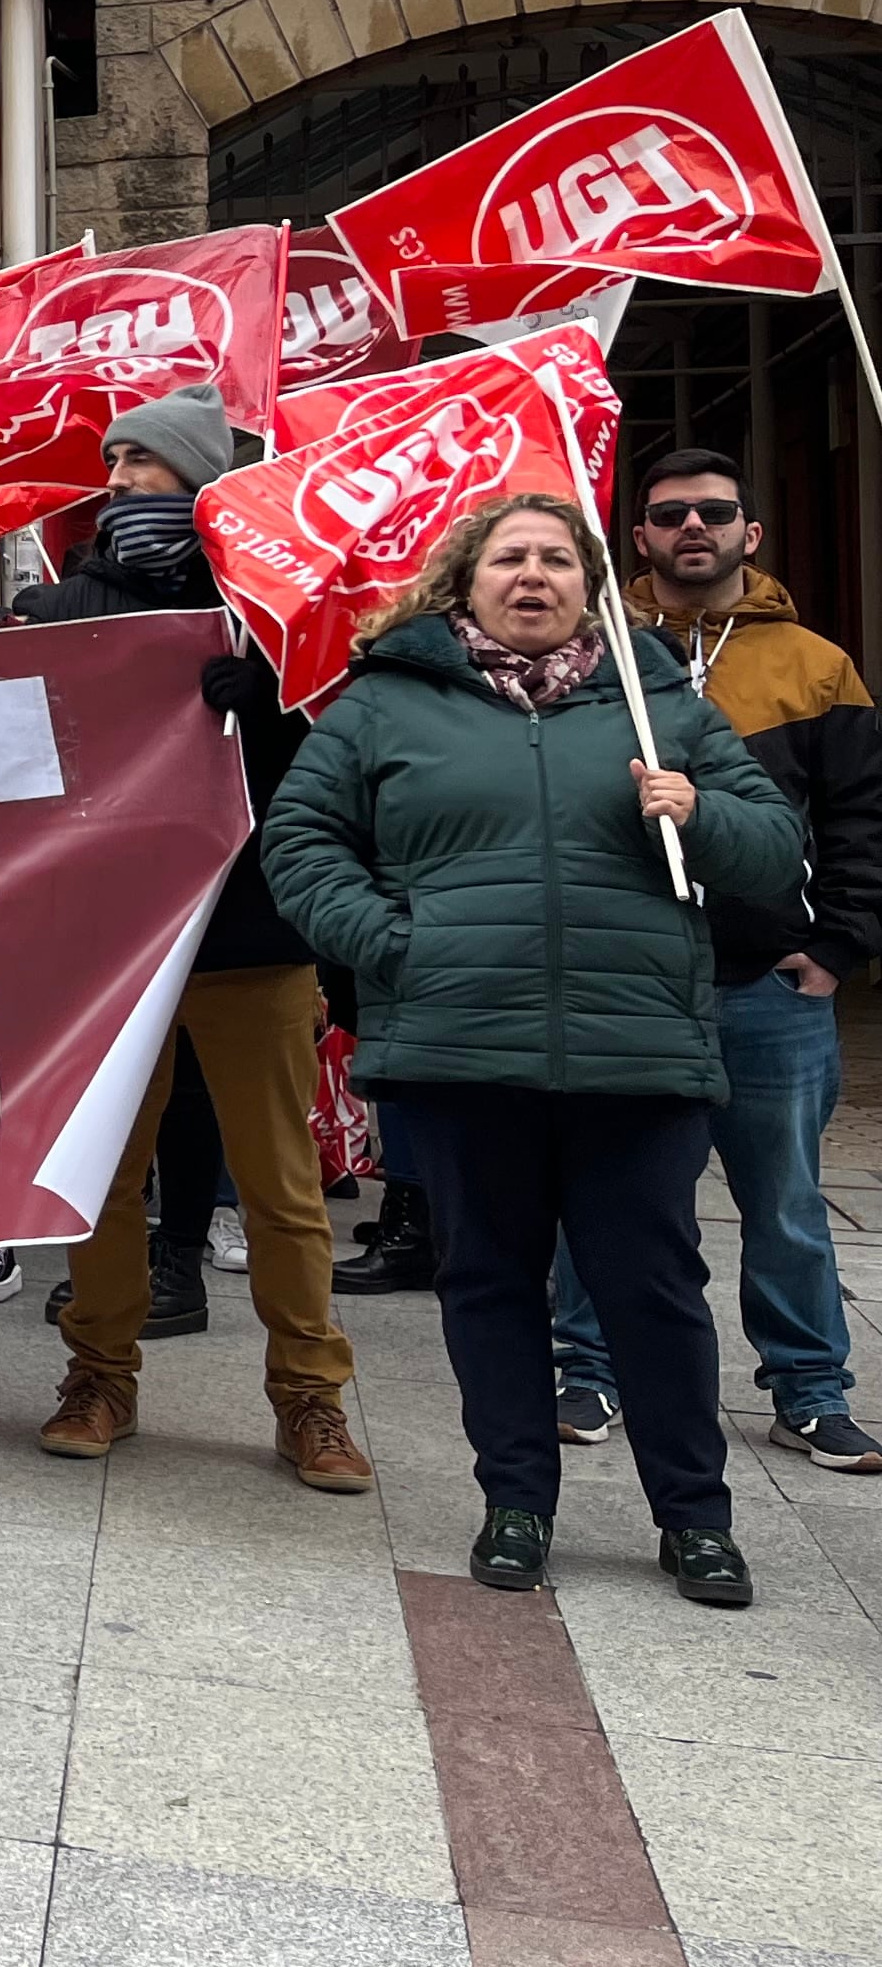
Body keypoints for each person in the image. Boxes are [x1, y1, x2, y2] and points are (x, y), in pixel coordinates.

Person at [262, 493, 800, 1607]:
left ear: (590, 586)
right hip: (463, 1050)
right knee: (489, 1284)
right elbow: (302, 839)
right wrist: (393, 948)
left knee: (652, 1290)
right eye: (510, 558)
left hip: (635, 1053)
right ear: (467, 580)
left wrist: (699, 809)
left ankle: (695, 1519)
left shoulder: (661, 705)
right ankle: (517, 1502)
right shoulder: (387, 703)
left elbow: (774, 853)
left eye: (558, 560)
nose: (534, 577)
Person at [8, 387, 373, 1492]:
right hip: (114, 948)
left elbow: (343, 758)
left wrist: (270, 701)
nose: (119, 480)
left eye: (146, 463)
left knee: (279, 1187)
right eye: (113, 462)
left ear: (204, 476)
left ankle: (310, 1399)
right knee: (106, 1178)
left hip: (250, 936)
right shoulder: (64, 607)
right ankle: (98, 1373)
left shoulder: (274, 606)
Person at [545, 450, 879, 1474]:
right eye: (670, 514)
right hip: (629, 977)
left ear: (751, 533)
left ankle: (811, 1390)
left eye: (715, 512)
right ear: (636, 538)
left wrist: (837, 947)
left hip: (768, 982)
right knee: (604, 1189)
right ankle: (587, 1371)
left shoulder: (816, 665)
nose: (695, 527)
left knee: (782, 1198)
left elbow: (860, 820)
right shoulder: (589, 655)